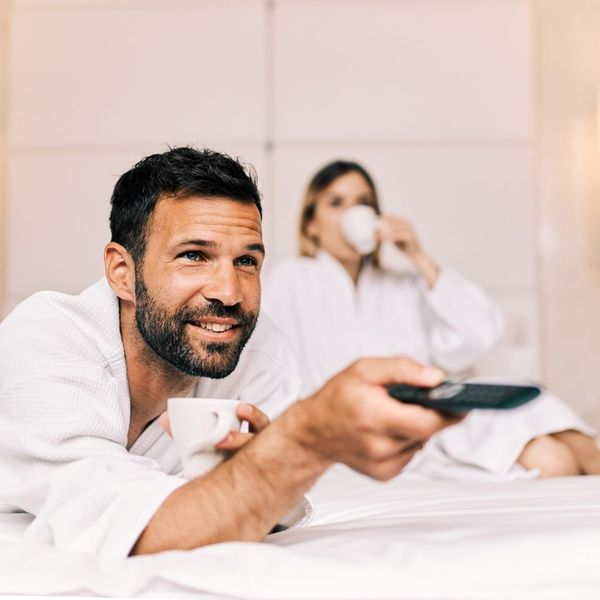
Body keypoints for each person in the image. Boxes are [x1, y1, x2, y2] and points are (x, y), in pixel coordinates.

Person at [0, 147, 460, 559]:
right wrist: (306, 438)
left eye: (247, 261)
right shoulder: (47, 338)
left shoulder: (262, 353)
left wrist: (268, 463)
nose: (230, 292)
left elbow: (252, 515)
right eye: (194, 256)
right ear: (123, 272)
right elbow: (136, 530)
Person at [263, 159, 600, 479]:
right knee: (554, 461)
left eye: (363, 202)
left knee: (540, 412)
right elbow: (272, 365)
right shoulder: (291, 280)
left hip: (436, 415)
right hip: (365, 429)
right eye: (336, 202)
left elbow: (480, 336)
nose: (353, 212)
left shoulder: (402, 283)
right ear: (311, 225)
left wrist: (417, 255)